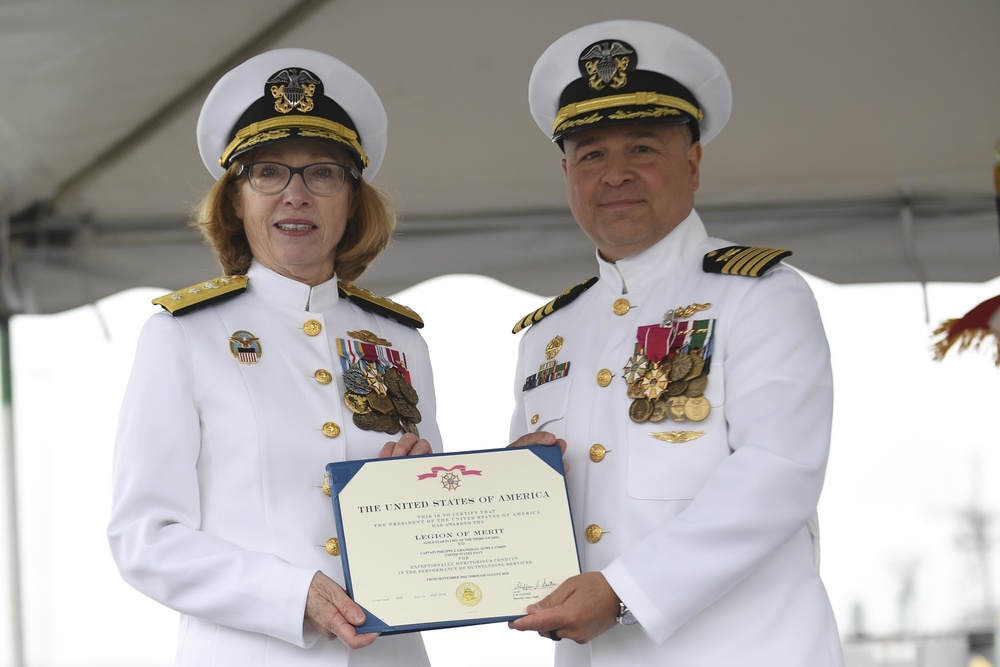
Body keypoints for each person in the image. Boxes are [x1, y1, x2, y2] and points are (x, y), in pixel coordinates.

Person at [506, 20, 844, 666]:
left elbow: (776, 473)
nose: (615, 174)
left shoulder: (760, 295)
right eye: (591, 155)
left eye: (642, 148)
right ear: (566, 172)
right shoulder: (549, 333)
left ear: (692, 161)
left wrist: (626, 591)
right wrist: (518, 487)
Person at [107, 48, 441, 666]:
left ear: (351, 199)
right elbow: (143, 540)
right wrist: (291, 594)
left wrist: (428, 491)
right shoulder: (183, 335)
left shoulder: (399, 341)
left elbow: (425, 531)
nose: (296, 196)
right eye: (267, 173)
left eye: (323, 173)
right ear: (235, 199)